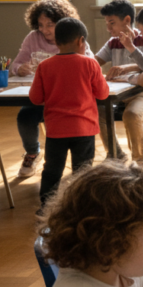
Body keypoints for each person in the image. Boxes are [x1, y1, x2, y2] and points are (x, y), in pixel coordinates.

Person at [11, 0, 95, 178]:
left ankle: (80, 172)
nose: (45, 30)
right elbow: (15, 65)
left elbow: (91, 65)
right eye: (40, 25)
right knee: (24, 117)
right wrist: (20, 68)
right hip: (42, 99)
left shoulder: (74, 38)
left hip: (69, 102)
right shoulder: (33, 38)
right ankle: (32, 153)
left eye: (49, 25)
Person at [29, 18, 109, 205]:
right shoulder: (90, 64)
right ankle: (81, 206)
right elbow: (103, 94)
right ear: (81, 41)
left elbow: (35, 98)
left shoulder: (44, 66)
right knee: (83, 171)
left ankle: (46, 208)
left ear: (56, 42)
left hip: (56, 130)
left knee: (52, 170)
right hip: (84, 129)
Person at [94, 0, 143, 165]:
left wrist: (127, 67)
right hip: (117, 94)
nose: (108, 28)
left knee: (132, 114)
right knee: (99, 111)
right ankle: (115, 153)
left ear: (127, 20)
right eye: (106, 23)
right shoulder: (112, 42)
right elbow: (93, 62)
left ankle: (142, 162)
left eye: (111, 23)